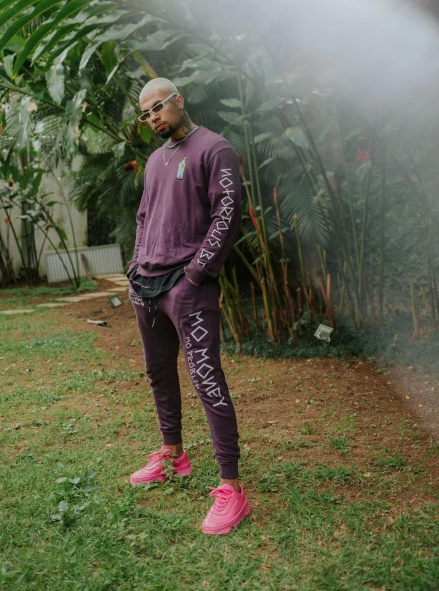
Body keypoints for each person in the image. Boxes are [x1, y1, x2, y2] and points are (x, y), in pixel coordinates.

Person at [127, 77, 251, 535]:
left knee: (205, 378)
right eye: (145, 114)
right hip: (148, 285)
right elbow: (143, 217)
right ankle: (173, 455)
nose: (153, 117)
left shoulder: (213, 148)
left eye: (158, 107)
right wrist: (136, 267)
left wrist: (197, 274)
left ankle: (232, 487)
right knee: (159, 372)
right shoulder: (155, 161)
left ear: (179, 100)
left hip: (188, 286)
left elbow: (228, 210)